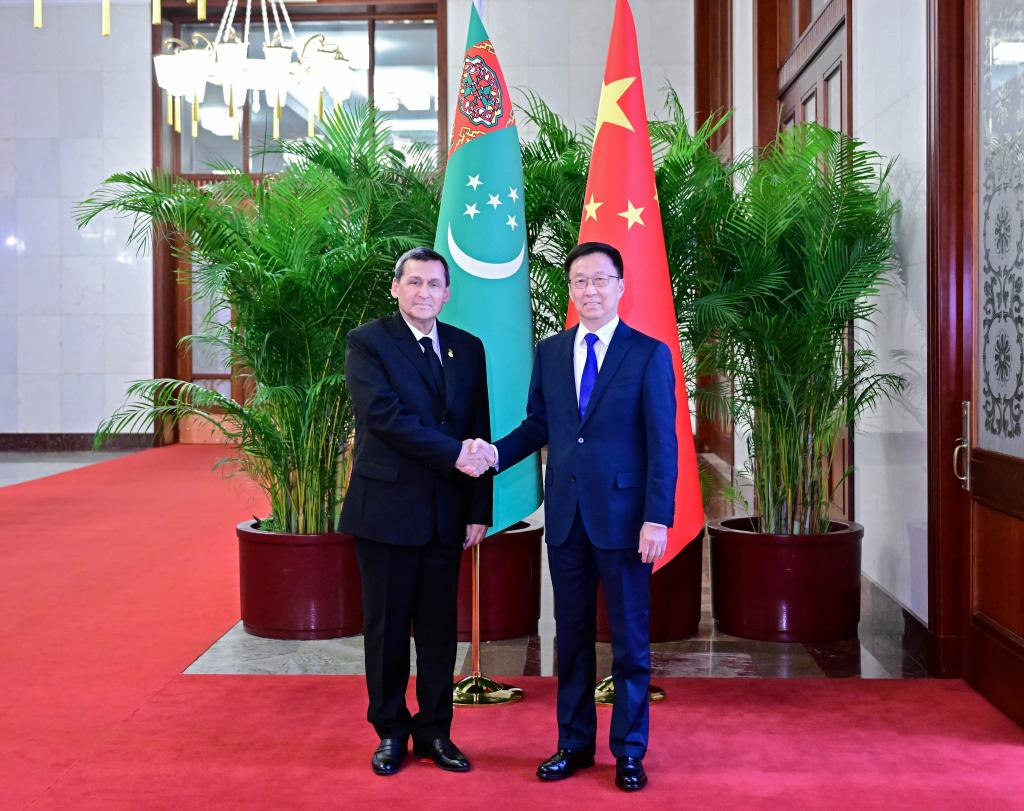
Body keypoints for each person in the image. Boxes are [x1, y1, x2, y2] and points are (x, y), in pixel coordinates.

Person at [470, 241, 677, 792]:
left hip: (627, 520)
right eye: (580, 281)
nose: (590, 290)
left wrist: (657, 517)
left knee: (630, 641)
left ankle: (629, 751)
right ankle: (573, 744)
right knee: (572, 637)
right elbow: (539, 426)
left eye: (601, 279)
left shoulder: (648, 354)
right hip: (566, 520)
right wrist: (494, 454)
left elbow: (664, 443)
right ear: (570, 289)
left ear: (620, 286)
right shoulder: (552, 351)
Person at [341, 247, 495, 777]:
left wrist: (479, 507)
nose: (424, 292)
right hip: (385, 510)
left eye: (434, 284)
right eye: (414, 282)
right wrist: (453, 454)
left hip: (446, 513)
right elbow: (383, 416)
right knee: (386, 629)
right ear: (396, 288)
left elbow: (478, 425)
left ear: (447, 293)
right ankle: (390, 730)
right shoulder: (368, 342)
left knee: (438, 631)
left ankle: (435, 732)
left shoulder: (467, 347)